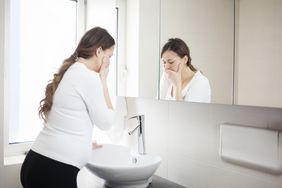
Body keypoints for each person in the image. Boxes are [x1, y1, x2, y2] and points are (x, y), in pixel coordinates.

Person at [20, 26, 116, 188]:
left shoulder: (71, 71)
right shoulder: (88, 77)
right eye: (109, 56)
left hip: (37, 163)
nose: (109, 63)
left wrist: (84, 143)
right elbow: (106, 123)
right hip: (53, 170)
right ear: (99, 51)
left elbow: (65, 119)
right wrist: (103, 81)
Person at [159, 38, 211, 103]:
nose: (166, 67)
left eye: (171, 62)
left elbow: (185, 112)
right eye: (164, 62)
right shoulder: (166, 76)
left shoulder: (201, 82)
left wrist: (177, 85)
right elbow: (159, 105)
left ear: (185, 59)